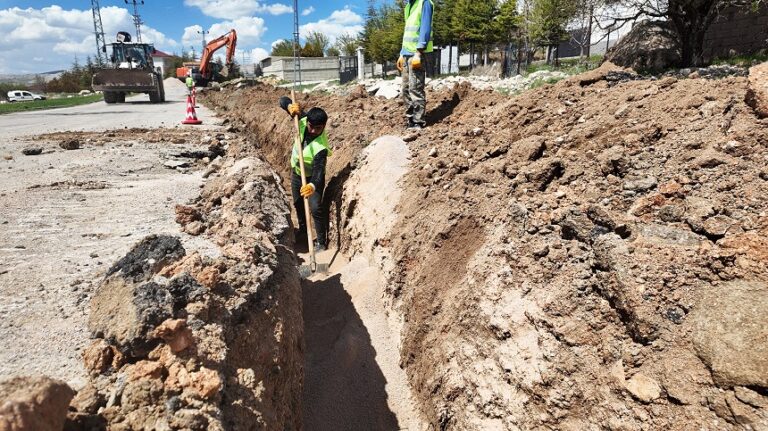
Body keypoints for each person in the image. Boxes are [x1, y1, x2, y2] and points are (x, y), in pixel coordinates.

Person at [279, 96, 332, 251]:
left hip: (313, 179)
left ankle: (321, 242)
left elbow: (318, 171)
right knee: (298, 203)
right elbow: (282, 100)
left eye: (318, 128)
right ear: (308, 122)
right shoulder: (301, 120)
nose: (314, 131)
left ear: (324, 127)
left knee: (315, 207)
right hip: (297, 173)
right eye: (311, 127)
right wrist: (289, 106)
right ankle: (303, 231)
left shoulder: (321, 147)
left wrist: (313, 186)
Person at [396, 0, 434, 130]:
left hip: (417, 53)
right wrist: (402, 53)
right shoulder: (408, 6)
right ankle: (410, 119)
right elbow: (407, 32)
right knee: (405, 88)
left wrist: (418, 52)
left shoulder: (425, 3)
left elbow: (425, 29)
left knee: (415, 87)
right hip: (407, 53)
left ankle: (418, 121)